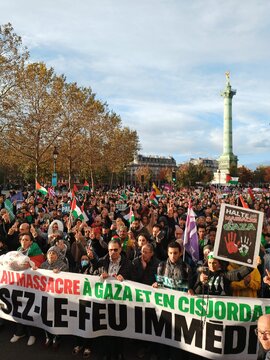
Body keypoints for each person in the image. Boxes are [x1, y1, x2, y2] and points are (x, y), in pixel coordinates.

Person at [10, 233, 45, 346]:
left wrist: (32, 265)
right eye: (22, 240)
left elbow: (40, 265)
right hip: (19, 286)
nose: (23, 241)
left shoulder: (37, 252)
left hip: (32, 288)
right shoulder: (17, 251)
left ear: (31, 242)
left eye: (26, 240)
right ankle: (19, 332)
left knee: (29, 310)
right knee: (18, 307)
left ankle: (32, 334)